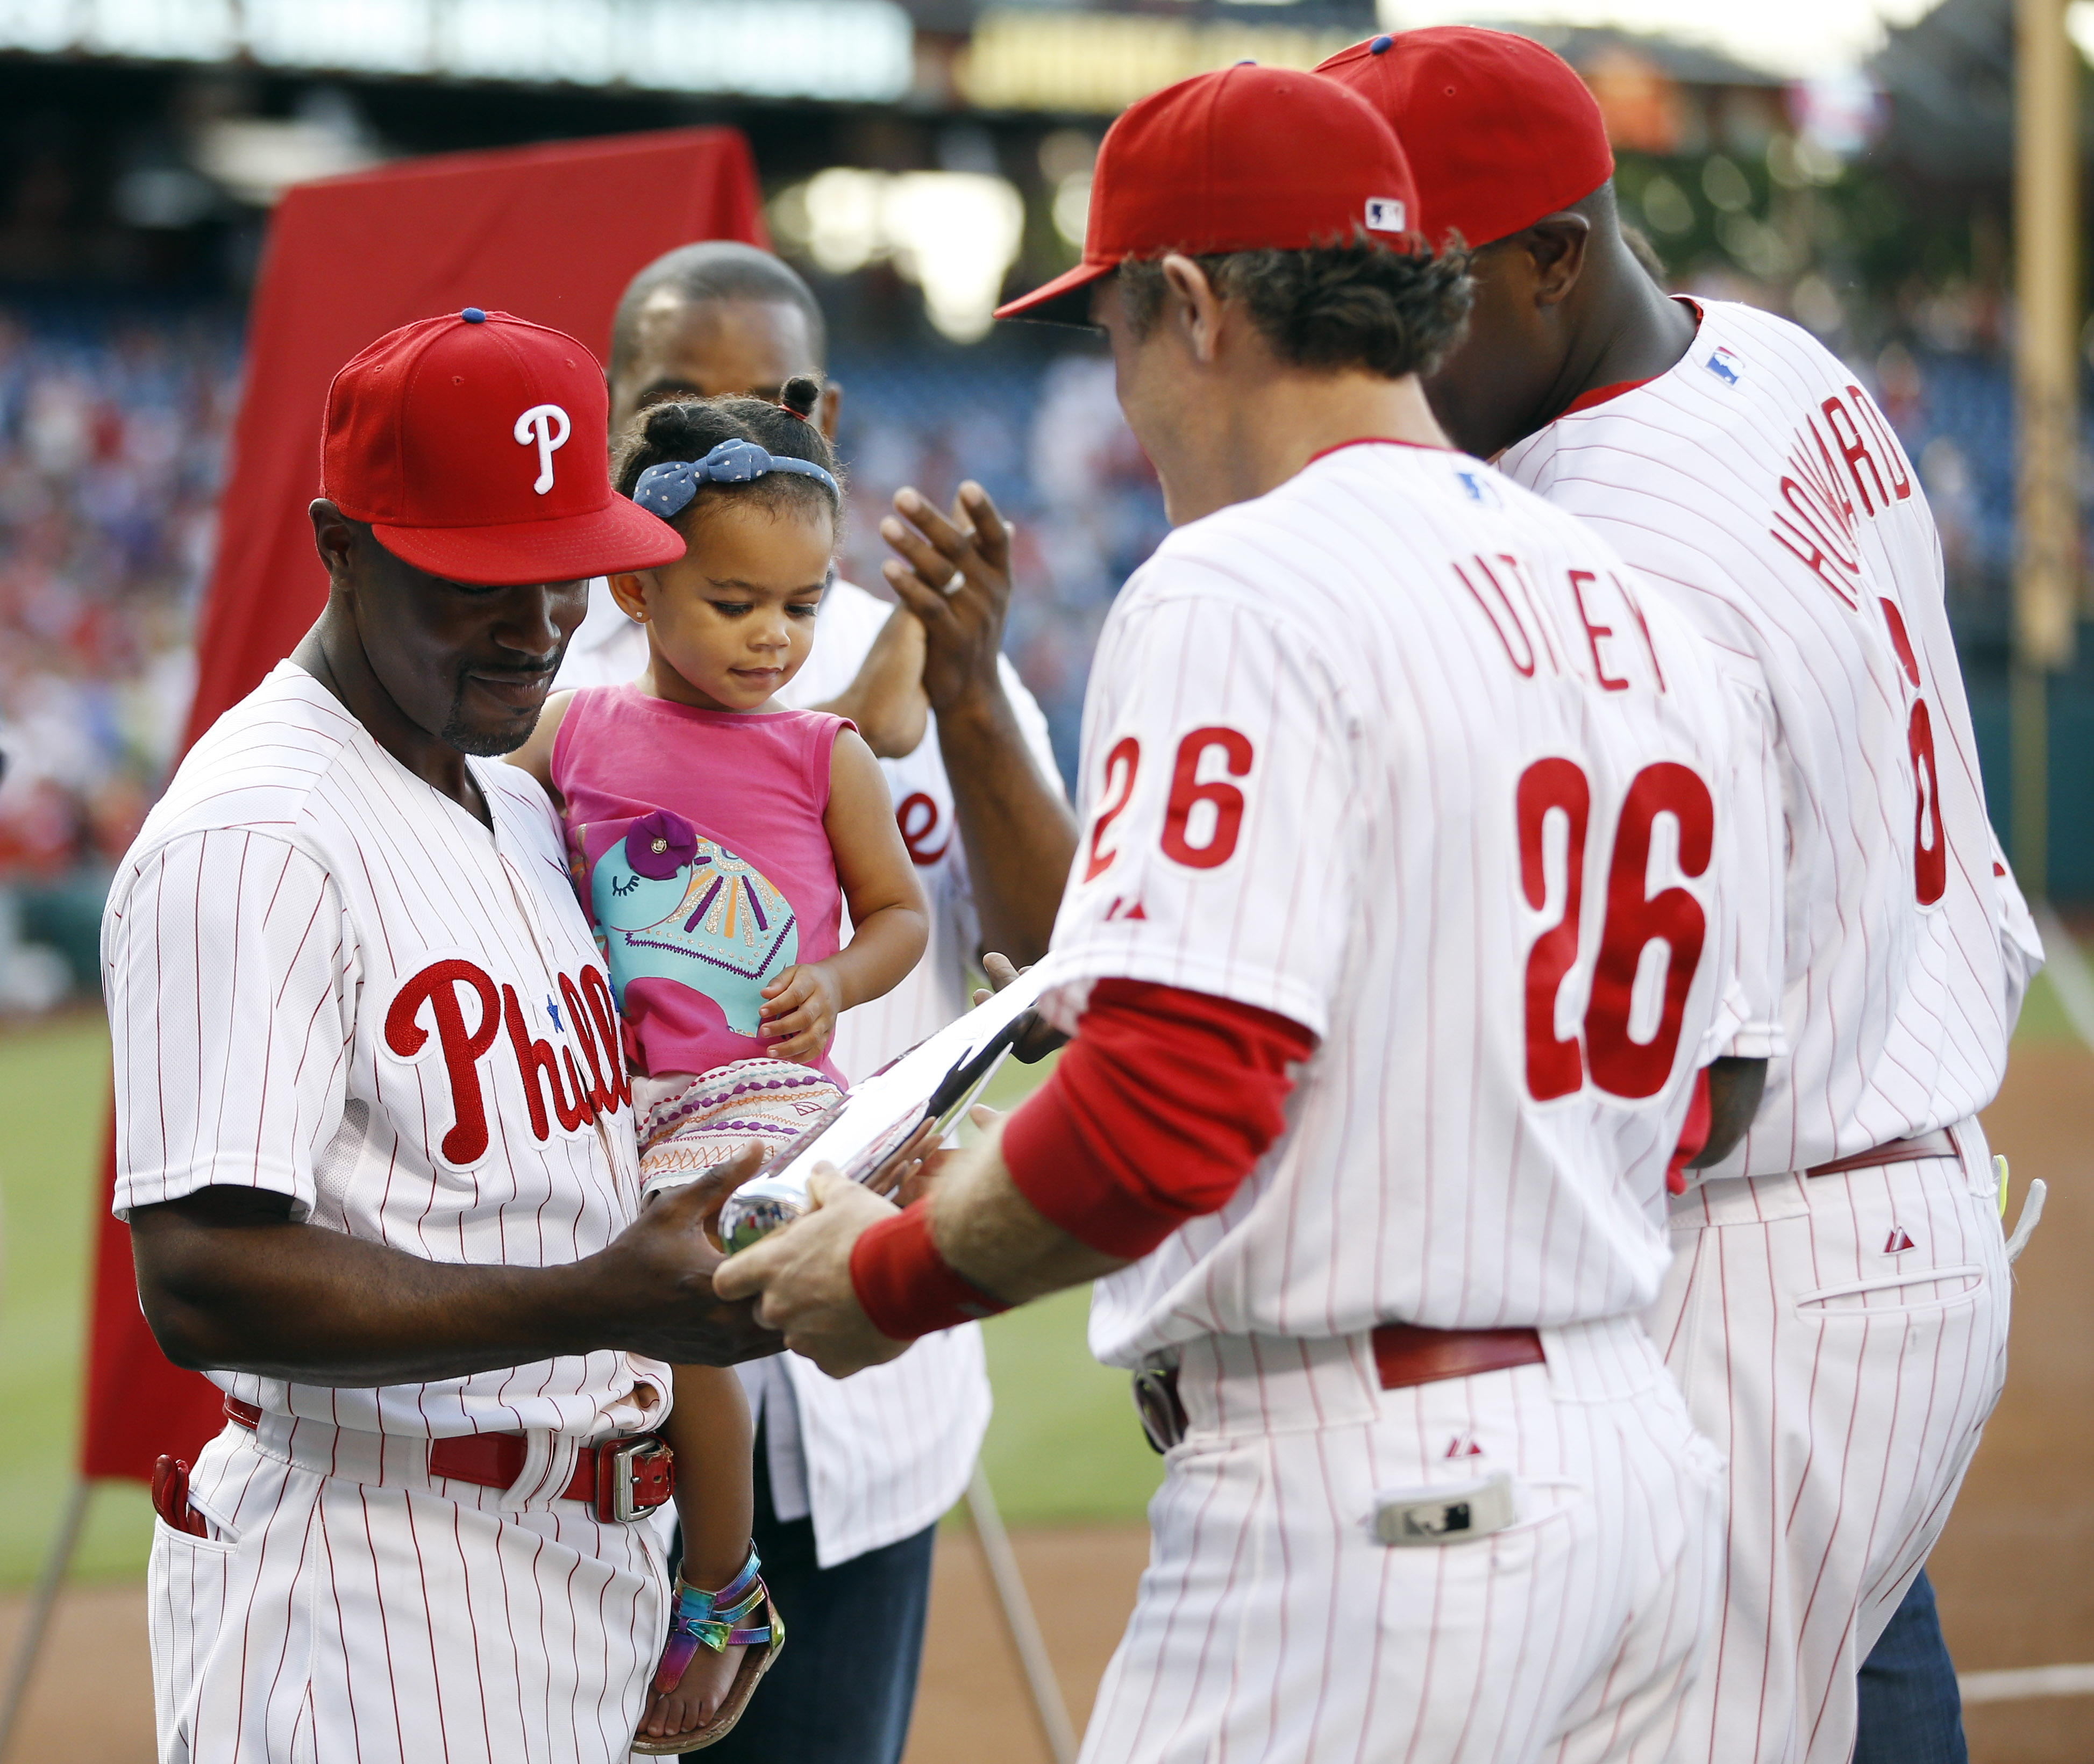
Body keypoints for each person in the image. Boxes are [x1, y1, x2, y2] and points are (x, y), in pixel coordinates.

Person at [716, 63, 1781, 1763]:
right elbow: (1701, 1098)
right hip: (1631, 1466)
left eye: (1117, 332)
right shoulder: (1619, 592)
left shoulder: (1241, 580)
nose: (1123, 393)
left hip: (1374, 1504)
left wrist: (888, 1272)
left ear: (1195, 306)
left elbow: (1166, 1113)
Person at [1320, 27, 2045, 1764]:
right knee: (1860, 1695)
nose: (1373, 356)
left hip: (1760, 1258)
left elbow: (1664, 1087)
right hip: (1885, 1209)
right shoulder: (1770, 356)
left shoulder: (1600, 546)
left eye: (1412, 301)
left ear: (1551, 258)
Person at [106, 308, 783, 1764]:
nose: (536, 627)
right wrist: (598, 1298)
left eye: (563, 569)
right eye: (478, 580)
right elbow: (203, 1278)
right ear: (340, 547)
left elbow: (563, 1177)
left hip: (580, 1570)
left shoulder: (519, 805)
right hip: (374, 1585)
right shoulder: (257, 837)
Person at [557, 240, 1076, 1764]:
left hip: (861, 1397)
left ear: (827, 417)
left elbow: (1059, 978)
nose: (733, 434)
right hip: (600, 1360)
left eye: (774, 401)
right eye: (679, 398)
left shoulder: (927, 659)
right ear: (612, 412)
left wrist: (960, 698)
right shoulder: (544, 655)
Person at [510, 381, 930, 1748]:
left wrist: (838, 982)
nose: (774, 638)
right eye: (735, 602)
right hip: (608, 1097)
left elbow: (900, 914)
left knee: (685, 1315)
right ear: (635, 589)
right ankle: (625, 1569)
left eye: (803, 606)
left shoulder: (823, 754)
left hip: (752, 1094)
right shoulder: (575, 731)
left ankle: (722, 1586)